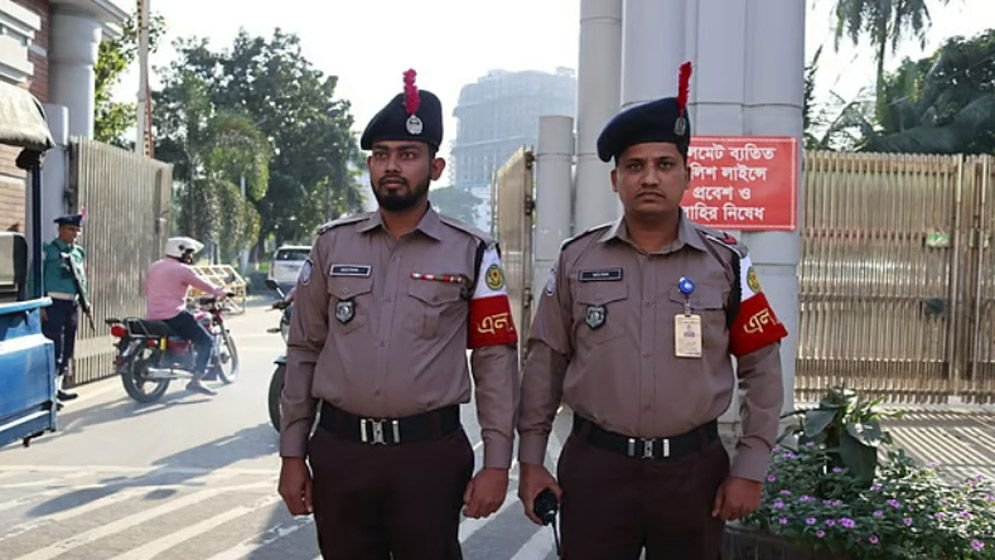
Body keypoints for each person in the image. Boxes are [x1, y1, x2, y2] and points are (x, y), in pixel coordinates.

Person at [516, 62, 789, 560]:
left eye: (664, 164)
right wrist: (532, 461)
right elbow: (545, 362)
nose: (649, 178)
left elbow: (763, 369)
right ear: (615, 179)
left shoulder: (726, 262)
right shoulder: (577, 260)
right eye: (635, 166)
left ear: (687, 175)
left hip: (693, 473)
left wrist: (750, 467)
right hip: (597, 469)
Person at [278, 69, 519, 560]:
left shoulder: (472, 251)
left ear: (436, 167)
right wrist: (292, 453)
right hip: (341, 451)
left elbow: (495, 360)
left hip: (429, 457)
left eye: (408, 155)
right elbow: (304, 349)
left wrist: (497, 462)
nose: (392, 166)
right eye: (381, 154)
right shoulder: (331, 246)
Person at [144, 236, 228, 396]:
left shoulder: (154, 267)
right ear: (180, 251)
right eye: (189, 253)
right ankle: (197, 380)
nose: (190, 257)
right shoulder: (183, 270)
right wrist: (220, 292)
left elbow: (146, 290)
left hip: (153, 315)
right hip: (174, 315)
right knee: (206, 341)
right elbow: (204, 285)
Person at [41, 212, 88, 403]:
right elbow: (36, 277)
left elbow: (82, 279)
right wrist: (40, 305)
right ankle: (49, 392)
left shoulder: (78, 252)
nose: (74, 233)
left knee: (68, 347)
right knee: (55, 346)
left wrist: (85, 301)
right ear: (60, 230)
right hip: (53, 303)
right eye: (70, 229)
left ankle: (58, 387)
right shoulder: (49, 251)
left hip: (72, 303)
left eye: (77, 230)